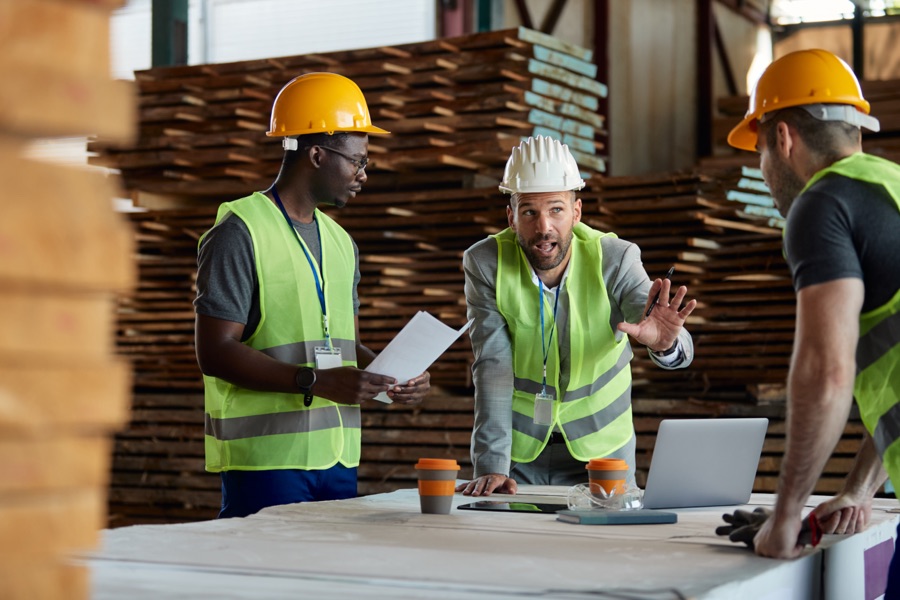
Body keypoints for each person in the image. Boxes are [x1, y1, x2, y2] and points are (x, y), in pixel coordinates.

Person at [194, 72, 431, 518]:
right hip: (267, 463)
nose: (362, 174)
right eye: (357, 161)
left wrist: (392, 375)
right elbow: (215, 352)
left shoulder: (341, 242)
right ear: (318, 155)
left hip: (337, 456)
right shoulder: (239, 232)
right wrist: (317, 381)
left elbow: (341, 342)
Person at [726, 48, 900, 577]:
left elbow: (826, 372)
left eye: (758, 152)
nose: (761, 169)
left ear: (782, 138)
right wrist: (857, 489)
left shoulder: (823, 203)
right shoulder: (890, 186)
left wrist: (782, 519)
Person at [456, 135, 697, 497]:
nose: (544, 227)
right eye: (529, 212)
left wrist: (666, 346)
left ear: (577, 212)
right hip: (522, 455)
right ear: (511, 217)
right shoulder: (485, 262)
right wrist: (491, 464)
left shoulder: (615, 258)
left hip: (602, 451)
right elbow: (492, 365)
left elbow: (669, 340)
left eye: (556, 209)